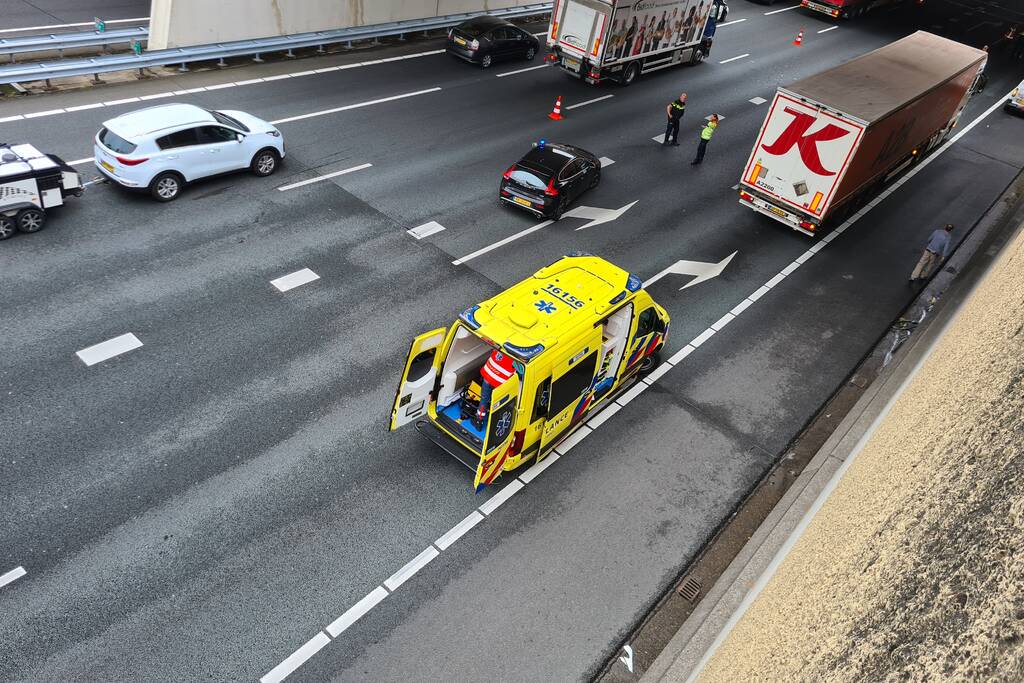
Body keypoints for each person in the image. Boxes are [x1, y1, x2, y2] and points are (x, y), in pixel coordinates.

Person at [474, 349, 516, 428]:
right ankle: (492, 421)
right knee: (499, 402)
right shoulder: (516, 356)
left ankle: (479, 420)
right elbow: (521, 370)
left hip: (488, 375)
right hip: (499, 382)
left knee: (484, 399)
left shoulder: (501, 344)